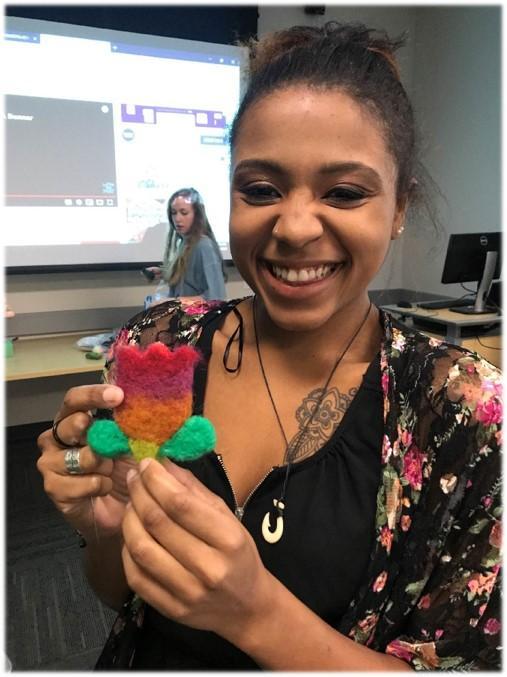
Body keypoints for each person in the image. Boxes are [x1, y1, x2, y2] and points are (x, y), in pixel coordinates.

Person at [37, 22, 501, 671]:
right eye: (260, 189)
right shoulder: (160, 343)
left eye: (343, 191)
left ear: (400, 205)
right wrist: (105, 529)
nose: (293, 226)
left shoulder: (463, 413)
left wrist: (255, 613)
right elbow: (119, 592)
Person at [144, 187, 227, 305]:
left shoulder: (204, 245)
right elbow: (191, 279)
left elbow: (216, 297)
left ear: (197, 214)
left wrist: (174, 302)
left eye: (184, 213)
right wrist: (164, 272)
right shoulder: (185, 243)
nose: (177, 219)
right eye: (174, 213)